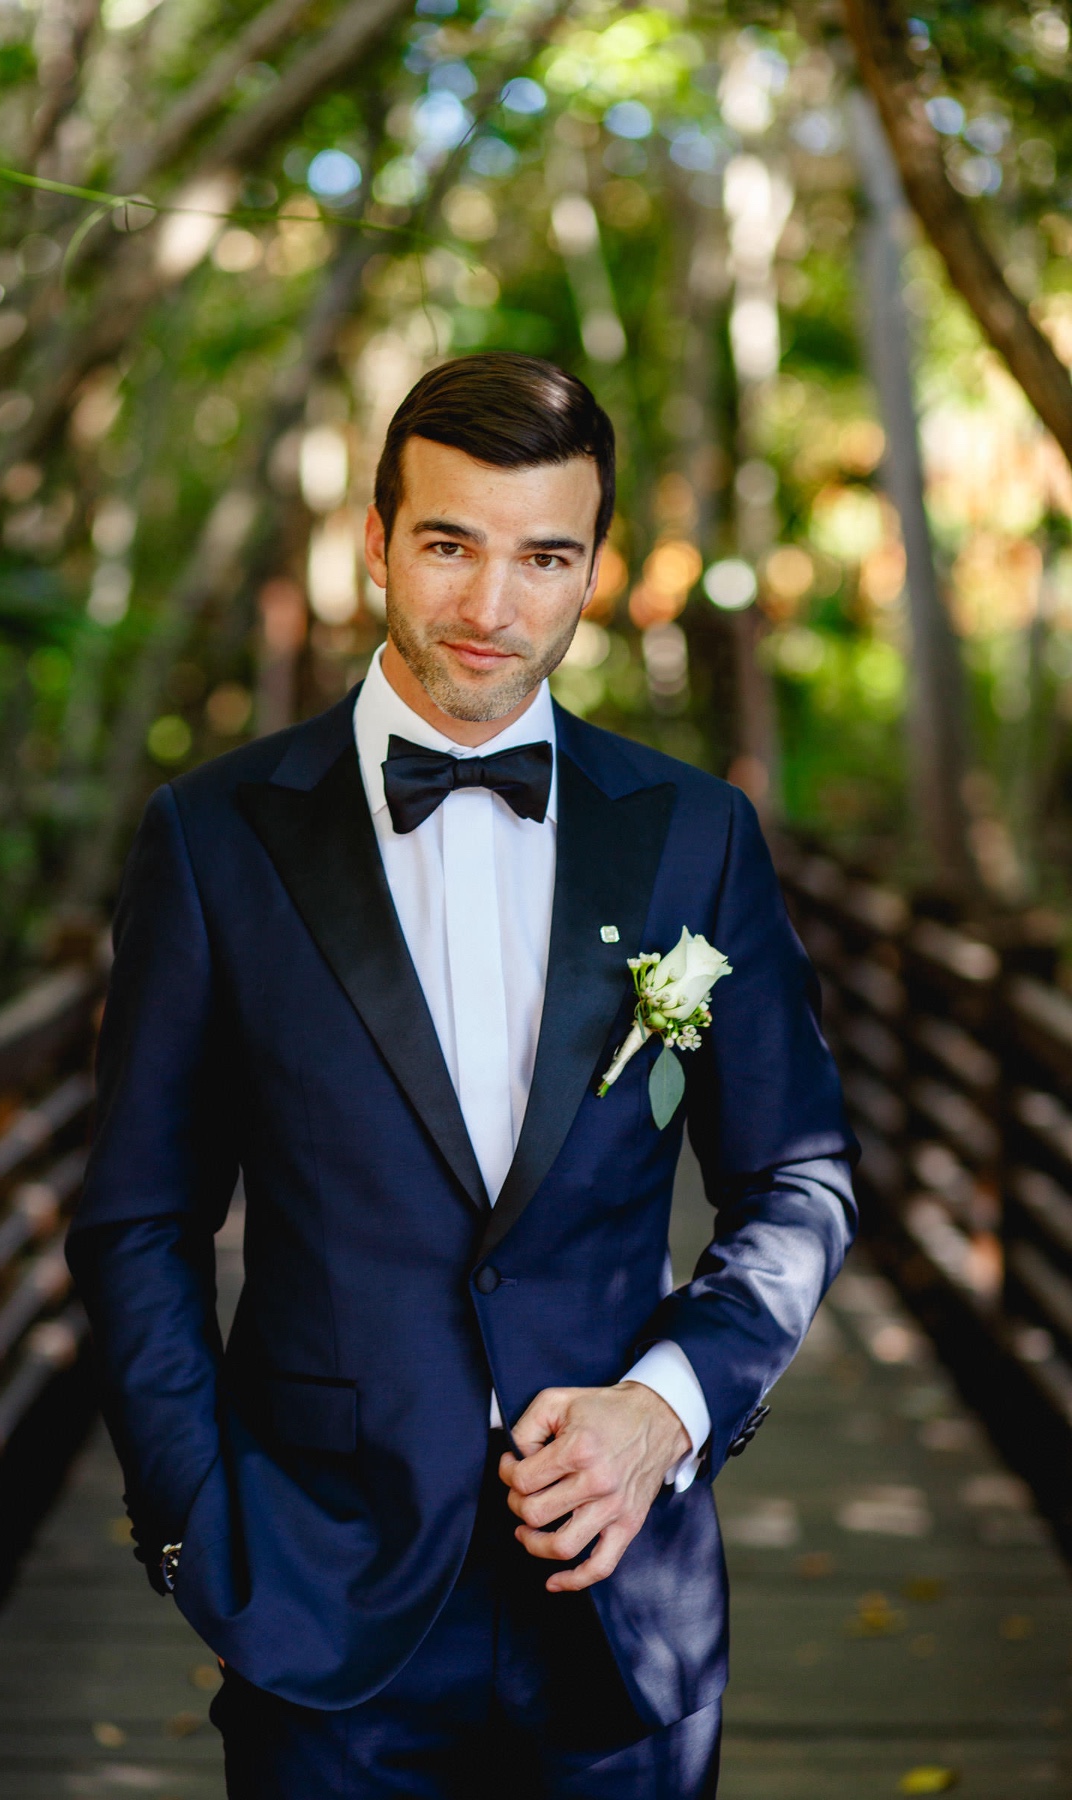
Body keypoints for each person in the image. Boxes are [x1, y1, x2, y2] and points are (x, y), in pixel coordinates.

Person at [66, 352, 857, 1799]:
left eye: (544, 557)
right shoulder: (214, 836)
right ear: (377, 541)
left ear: (593, 571)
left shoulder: (698, 835)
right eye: (450, 545)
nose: (493, 609)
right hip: (320, 1591)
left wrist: (669, 1405)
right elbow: (138, 1216)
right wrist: (195, 1519)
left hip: (627, 1603)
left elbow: (797, 1176)